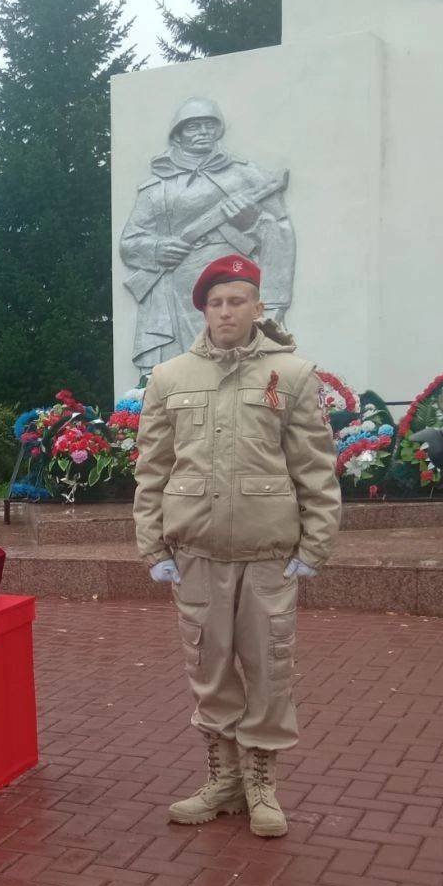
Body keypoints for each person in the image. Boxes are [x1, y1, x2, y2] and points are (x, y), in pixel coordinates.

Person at [133, 254, 341, 838]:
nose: (226, 311)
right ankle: (222, 780)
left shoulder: (294, 375)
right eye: (215, 302)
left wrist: (315, 545)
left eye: (236, 300)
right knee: (209, 666)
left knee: (271, 668)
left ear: (257, 306)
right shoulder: (170, 378)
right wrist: (154, 548)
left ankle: (262, 784)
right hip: (196, 553)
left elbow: (316, 470)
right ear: (202, 309)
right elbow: (152, 470)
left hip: (268, 553)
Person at [120, 98, 296, 376]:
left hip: (232, 287)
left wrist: (250, 221)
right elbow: (129, 243)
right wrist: (157, 249)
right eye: (193, 127)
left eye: (209, 125)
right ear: (177, 135)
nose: (203, 132)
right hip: (174, 293)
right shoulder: (158, 186)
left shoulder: (247, 175)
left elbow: (280, 233)